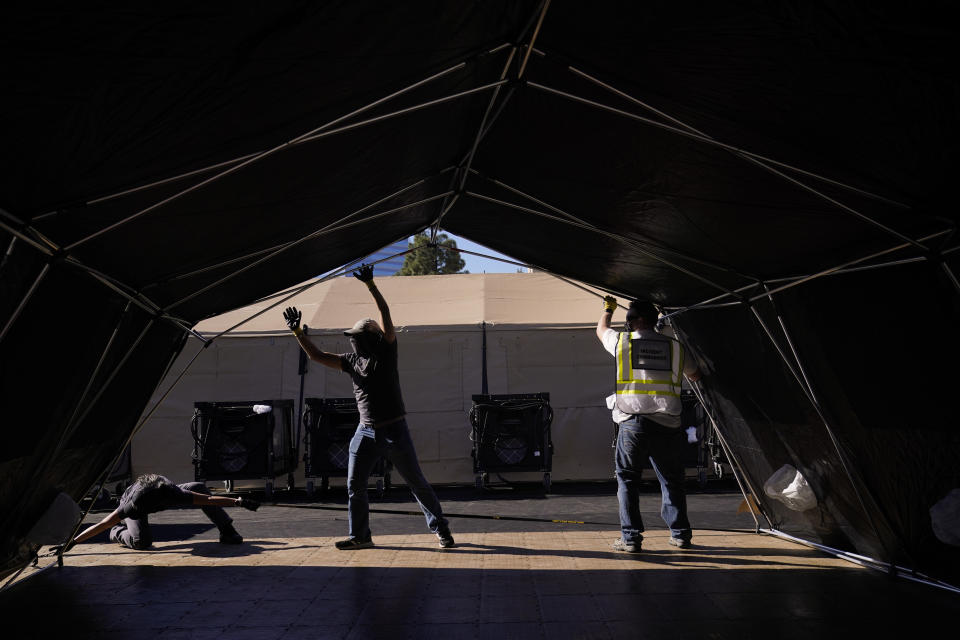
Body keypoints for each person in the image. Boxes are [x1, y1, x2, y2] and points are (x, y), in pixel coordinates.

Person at [282, 264, 454, 550]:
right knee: (355, 486)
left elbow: (386, 317)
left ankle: (441, 531)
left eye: (357, 337)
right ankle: (361, 536)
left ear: (371, 338)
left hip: (394, 430)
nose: (353, 341)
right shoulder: (350, 361)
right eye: (352, 338)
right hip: (365, 432)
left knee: (417, 483)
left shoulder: (386, 352)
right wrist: (298, 331)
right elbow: (316, 356)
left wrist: (372, 286)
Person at [596, 296, 701, 553]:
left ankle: (631, 539)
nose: (627, 322)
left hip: (634, 422)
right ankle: (681, 535)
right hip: (668, 423)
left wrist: (608, 311)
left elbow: (600, 330)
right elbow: (695, 375)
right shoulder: (676, 348)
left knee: (628, 480)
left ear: (639, 320)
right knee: (672, 480)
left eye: (629, 317)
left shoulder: (622, 342)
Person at [62, 474, 259, 551]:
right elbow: (104, 523)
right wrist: (73, 541)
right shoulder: (132, 506)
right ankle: (118, 534)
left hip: (163, 491)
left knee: (198, 487)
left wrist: (239, 501)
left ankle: (227, 530)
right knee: (142, 543)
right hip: (132, 499)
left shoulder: (175, 493)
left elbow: (208, 500)